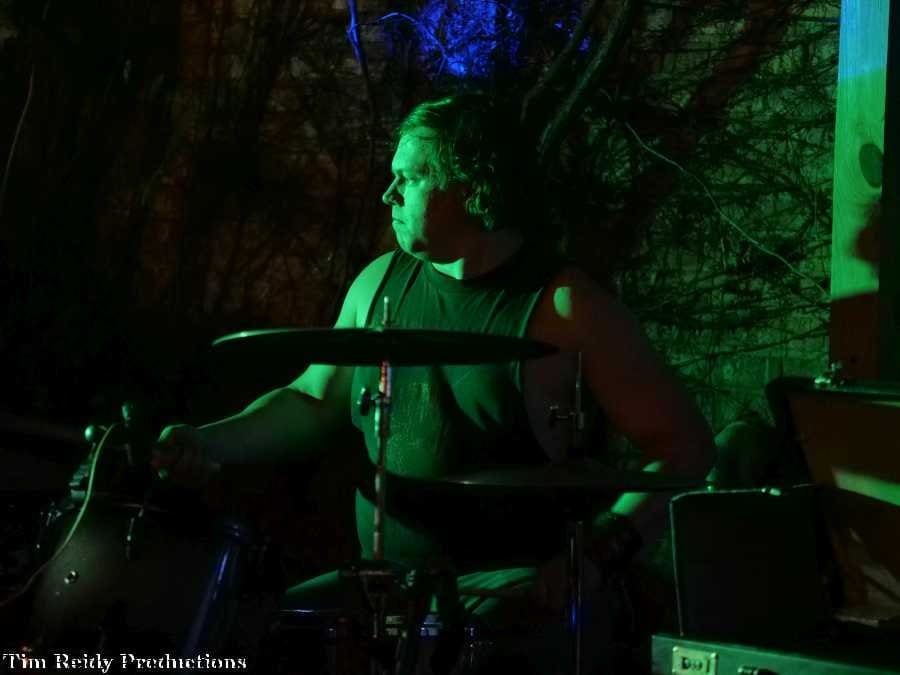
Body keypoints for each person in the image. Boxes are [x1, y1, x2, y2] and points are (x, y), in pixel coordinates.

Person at [154, 92, 715, 672]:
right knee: (248, 637)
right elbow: (312, 399)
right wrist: (208, 442)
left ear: (469, 188)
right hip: (385, 587)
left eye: (409, 178)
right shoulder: (379, 283)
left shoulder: (565, 307)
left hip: (506, 597)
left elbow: (685, 447)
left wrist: (592, 557)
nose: (388, 194)